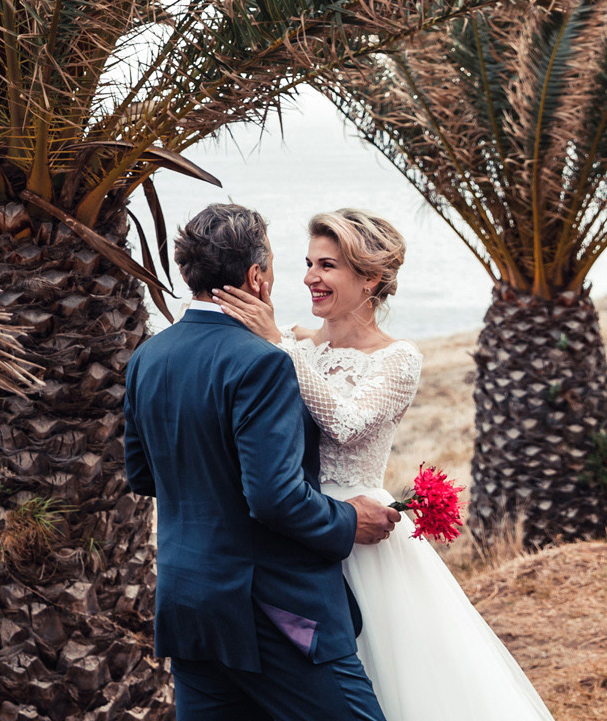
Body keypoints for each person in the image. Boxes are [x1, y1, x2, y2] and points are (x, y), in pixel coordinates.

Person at [211, 208, 556, 721]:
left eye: (326, 265)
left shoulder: (398, 357)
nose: (309, 278)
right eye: (307, 263)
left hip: (360, 538)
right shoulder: (298, 343)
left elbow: (346, 424)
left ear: (369, 277)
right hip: (291, 524)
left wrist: (281, 346)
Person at [123, 202, 397, 721]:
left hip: (188, 604)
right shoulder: (264, 363)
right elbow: (274, 497)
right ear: (256, 277)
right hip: (277, 614)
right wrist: (348, 520)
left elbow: (142, 474)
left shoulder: (148, 357)